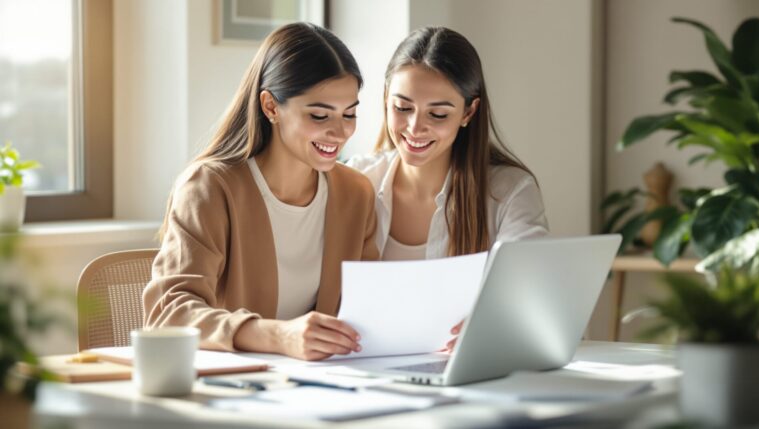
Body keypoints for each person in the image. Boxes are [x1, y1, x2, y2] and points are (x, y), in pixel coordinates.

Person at [143, 23, 377, 361]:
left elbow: (369, 306)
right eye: (319, 115)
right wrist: (279, 336)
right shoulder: (209, 187)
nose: (340, 132)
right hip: (234, 381)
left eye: (349, 114)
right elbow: (169, 314)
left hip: (326, 380)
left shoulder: (355, 193)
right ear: (270, 107)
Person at [348, 27, 549, 350]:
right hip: (366, 364)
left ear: (468, 112)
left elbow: (532, 296)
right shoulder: (356, 181)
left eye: (438, 114)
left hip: (464, 369)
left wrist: (495, 324)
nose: (415, 127)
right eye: (402, 108)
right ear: (385, 99)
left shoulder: (509, 191)